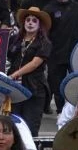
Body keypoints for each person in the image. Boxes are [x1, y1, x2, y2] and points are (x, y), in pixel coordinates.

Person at [43, 0, 78, 113]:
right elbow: (44, 32)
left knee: (77, 82)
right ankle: (60, 110)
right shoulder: (49, 9)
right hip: (56, 53)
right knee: (56, 84)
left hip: (75, 52)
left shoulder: (77, 7)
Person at [8, 7, 52, 136]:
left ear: (39, 25)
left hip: (34, 88)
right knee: (13, 127)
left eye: (34, 20)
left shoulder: (45, 43)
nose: (30, 23)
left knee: (30, 128)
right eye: (28, 20)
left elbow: (34, 64)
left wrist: (15, 75)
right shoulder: (15, 39)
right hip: (15, 88)